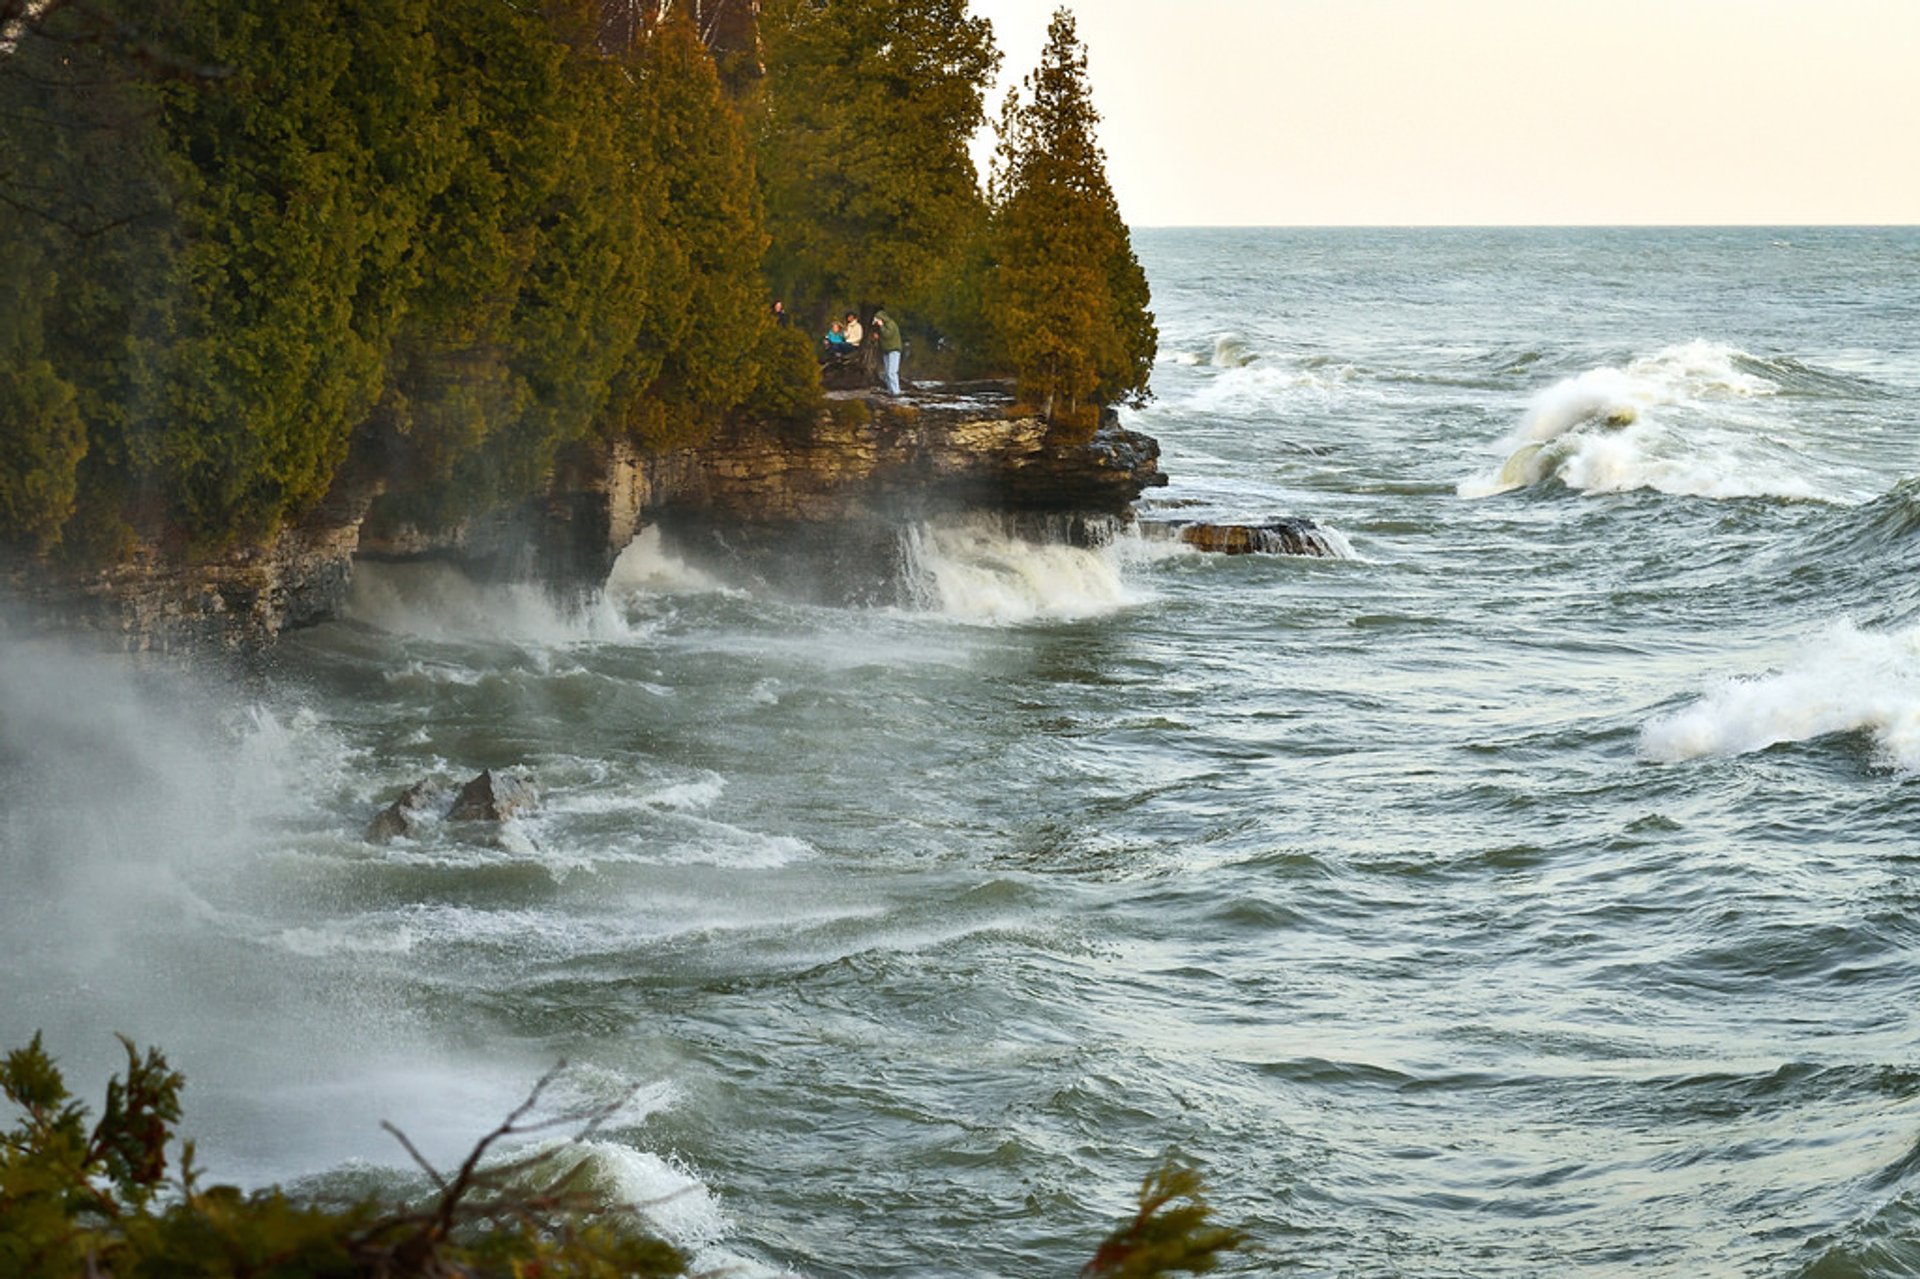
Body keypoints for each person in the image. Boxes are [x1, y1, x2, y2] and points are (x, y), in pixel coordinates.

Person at [871, 305, 902, 395]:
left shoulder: (890, 324)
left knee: (892, 372)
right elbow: (884, 338)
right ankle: (890, 390)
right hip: (886, 351)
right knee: (887, 372)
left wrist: (881, 327)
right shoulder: (884, 326)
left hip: (894, 350)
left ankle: (896, 392)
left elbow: (888, 335)